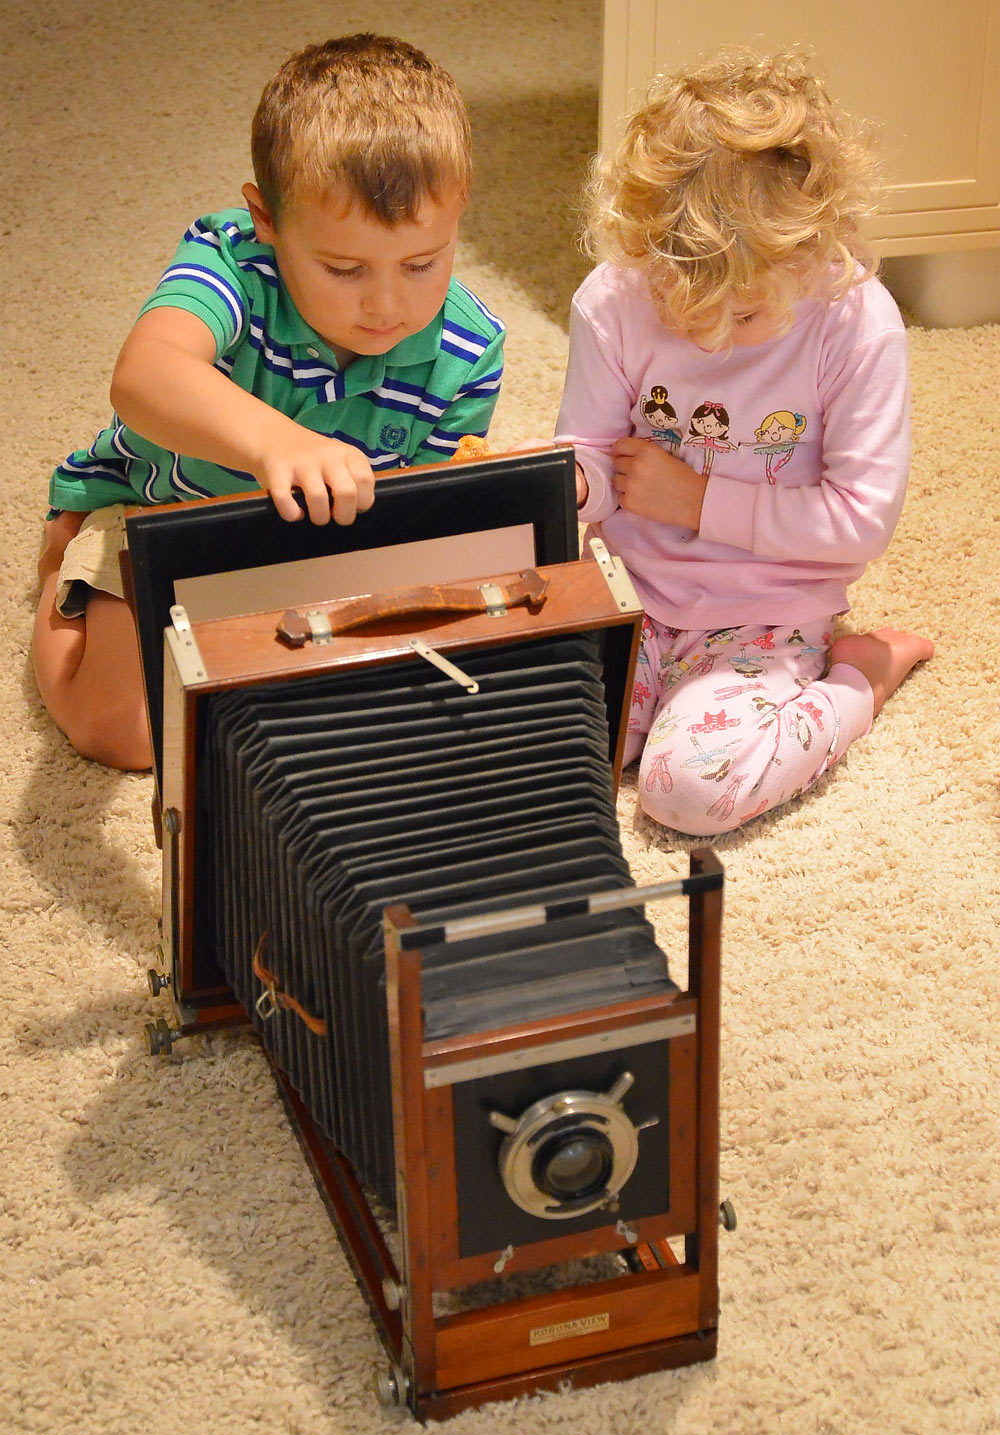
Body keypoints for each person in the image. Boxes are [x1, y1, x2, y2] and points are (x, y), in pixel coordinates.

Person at [33, 34, 505, 771]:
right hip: (162, 515)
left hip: (319, 549)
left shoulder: (472, 351)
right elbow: (144, 373)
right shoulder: (228, 261)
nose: (387, 305)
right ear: (267, 219)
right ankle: (63, 568)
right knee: (124, 735)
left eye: (421, 263)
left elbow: (422, 519)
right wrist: (279, 443)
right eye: (344, 268)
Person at [553, 49, 933, 836]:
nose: (713, 340)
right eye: (682, 308)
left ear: (814, 251)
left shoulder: (857, 323)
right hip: (628, 592)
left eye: (748, 316)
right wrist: (568, 485)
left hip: (767, 611)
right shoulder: (616, 297)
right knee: (536, 757)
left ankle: (859, 677)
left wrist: (696, 499)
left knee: (686, 791)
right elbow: (587, 448)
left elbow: (861, 521)